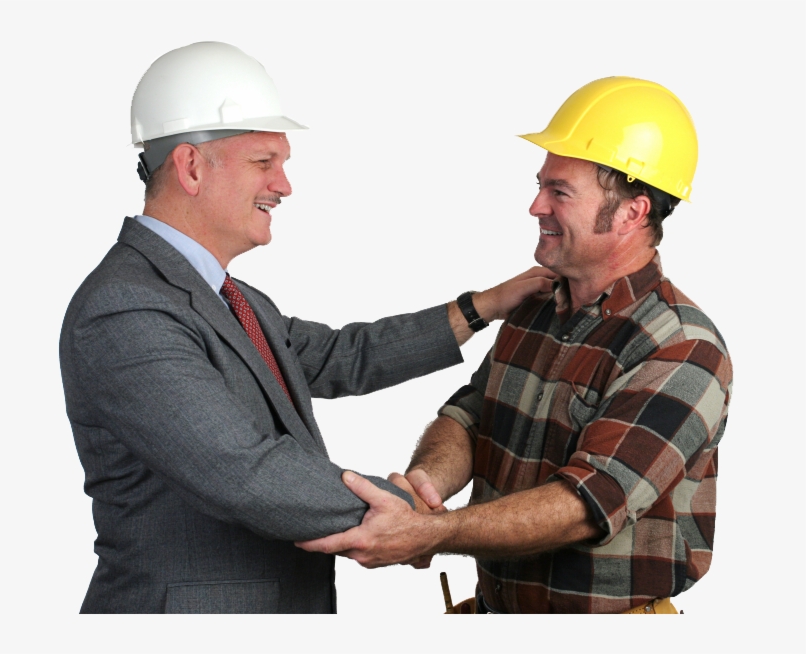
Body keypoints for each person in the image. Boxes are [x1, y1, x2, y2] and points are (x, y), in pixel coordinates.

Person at [58, 42, 555, 614]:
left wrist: (483, 305)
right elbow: (245, 470)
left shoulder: (230, 297)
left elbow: (339, 356)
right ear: (191, 167)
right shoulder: (126, 308)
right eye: (264, 162)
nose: (284, 185)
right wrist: (414, 518)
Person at [297, 77, 733, 614]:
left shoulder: (682, 347)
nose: (535, 206)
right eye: (540, 185)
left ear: (631, 213)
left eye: (559, 192)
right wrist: (424, 487)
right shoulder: (535, 309)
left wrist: (429, 533)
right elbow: (472, 417)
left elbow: (586, 504)